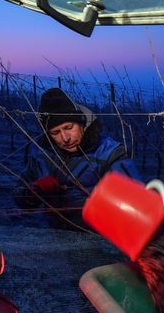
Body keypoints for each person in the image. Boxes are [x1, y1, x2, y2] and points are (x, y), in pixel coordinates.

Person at [15, 87, 141, 229]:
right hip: (55, 238)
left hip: (101, 239)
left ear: (81, 122)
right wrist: (33, 191)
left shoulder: (110, 153)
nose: (65, 138)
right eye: (55, 132)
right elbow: (19, 196)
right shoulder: (42, 156)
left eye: (69, 127)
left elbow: (135, 203)